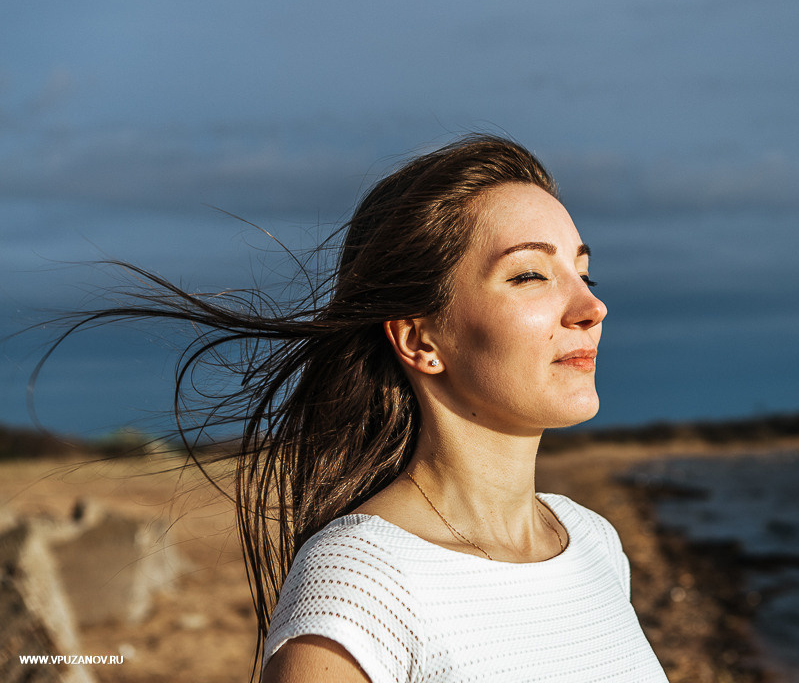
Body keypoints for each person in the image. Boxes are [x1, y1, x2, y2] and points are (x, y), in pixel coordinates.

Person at [45, 135, 667, 681]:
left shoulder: (591, 541)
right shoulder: (359, 585)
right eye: (530, 275)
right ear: (420, 340)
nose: (591, 307)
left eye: (584, 273)